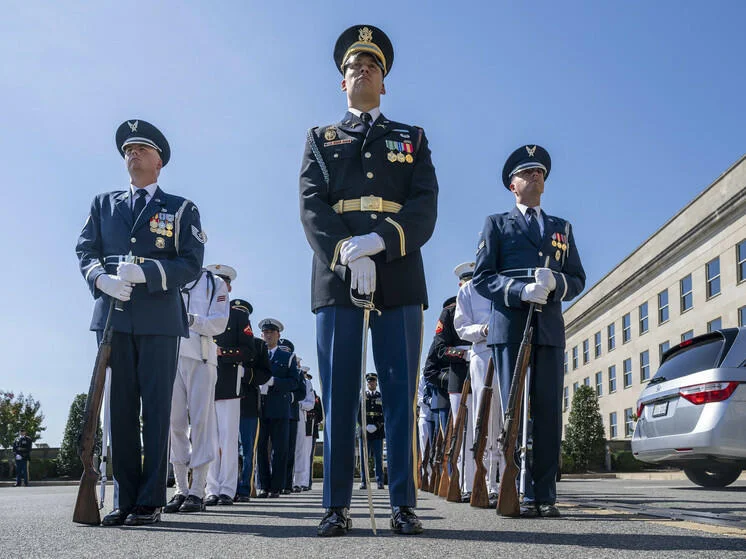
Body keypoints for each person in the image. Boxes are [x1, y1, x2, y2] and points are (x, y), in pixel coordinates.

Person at [299, 24, 438, 536]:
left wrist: (379, 243)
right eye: (353, 66)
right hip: (336, 278)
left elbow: (425, 206)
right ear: (342, 82)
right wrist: (344, 252)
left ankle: (403, 501)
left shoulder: (412, 138)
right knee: (338, 393)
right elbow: (312, 206)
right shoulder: (320, 137)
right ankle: (335, 504)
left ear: (385, 81)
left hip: (398, 270)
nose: (362, 70)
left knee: (400, 391)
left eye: (372, 66)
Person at [76, 119, 204, 526]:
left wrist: (147, 273)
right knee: (121, 411)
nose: (133, 154)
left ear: (159, 161)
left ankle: (151, 500)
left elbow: (190, 263)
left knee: (157, 409)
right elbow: (85, 250)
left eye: (142, 149)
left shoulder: (180, 208)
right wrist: (101, 279)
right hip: (114, 319)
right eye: (128, 149)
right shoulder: (102, 203)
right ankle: (125, 498)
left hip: (160, 322)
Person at [473, 144, 586, 517]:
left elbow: (578, 278)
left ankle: (545, 493)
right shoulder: (497, 224)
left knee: (549, 410)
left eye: (539, 172)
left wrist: (556, 282)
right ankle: (517, 487)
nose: (535, 176)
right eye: (526, 173)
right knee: (514, 411)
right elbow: (483, 278)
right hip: (512, 325)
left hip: (549, 327)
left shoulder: (561, 228)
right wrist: (520, 290)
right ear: (512, 185)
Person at [164, 265, 230, 514]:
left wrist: (190, 320)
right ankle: (180, 488)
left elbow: (219, 323)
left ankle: (198, 489)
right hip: (170, 356)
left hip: (201, 357)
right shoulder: (170, 276)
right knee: (175, 423)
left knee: (202, 423)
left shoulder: (214, 283)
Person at [454, 261, 504, 505]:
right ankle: (488, 483)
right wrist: (483, 330)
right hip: (483, 351)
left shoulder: (506, 280)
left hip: (507, 350)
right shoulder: (469, 290)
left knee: (508, 418)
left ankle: (509, 481)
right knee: (484, 418)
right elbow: (462, 327)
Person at [206, 292, 257, 506]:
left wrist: (223, 352)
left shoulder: (238, 317)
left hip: (229, 381)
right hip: (205, 379)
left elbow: (248, 350)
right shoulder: (202, 312)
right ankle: (210, 488)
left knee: (228, 440)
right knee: (209, 438)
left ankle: (227, 488)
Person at [423, 286, 474, 502]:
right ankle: (458, 481)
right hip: (449, 391)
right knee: (455, 439)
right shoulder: (448, 319)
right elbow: (430, 370)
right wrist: (449, 379)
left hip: (477, 379)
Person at [255, 320, 302, 498]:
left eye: (271, 332)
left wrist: (275, 382)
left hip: (279, 407)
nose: (268, 335)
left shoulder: (287, 357)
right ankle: (263, 485)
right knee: (260, 448)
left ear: (278, 335)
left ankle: (276, 486)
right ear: (261, 335)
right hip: (259, 406)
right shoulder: (257, 354)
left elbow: (294, 382)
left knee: (279, 449)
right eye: (265, 332)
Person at [235, 309, 273, 502]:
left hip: (248, 403)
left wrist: (246, 374)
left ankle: (244, 488)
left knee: (248, 449)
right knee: (226, 448)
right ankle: (226, 486)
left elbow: (265, 373)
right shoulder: (222, 339)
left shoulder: (258, 345)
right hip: (224, 400)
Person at [283, 345, 309, 494]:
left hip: (296, 413)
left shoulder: (302, 378)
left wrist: (291, 399)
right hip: (280, 411)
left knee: (297, 450)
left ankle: (298, 481)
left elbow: (308, 400)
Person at [358, 372, 385, 490]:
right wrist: (364, 425)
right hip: (364, 431)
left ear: (376, 382)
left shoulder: (381, 396)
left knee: (378, 458)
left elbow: (384, 413)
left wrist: (377, 426)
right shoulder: (362, 396)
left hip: (377, 431)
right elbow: (357, 413)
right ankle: (364, 481)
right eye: (369, 381)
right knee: (364, 458)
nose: (371, 383)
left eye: (373, 381)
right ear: (367, 383)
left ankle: (380, 481)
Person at [292, 366, 316, 491]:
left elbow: (310, 403)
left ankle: (298, 481)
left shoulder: (306, 383)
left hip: (300, 415)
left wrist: (299, 404)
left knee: (300, 450)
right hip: (285, 414)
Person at [307, 388, 324, 490]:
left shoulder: (316, 397)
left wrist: (312, 420)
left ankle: (308, 482)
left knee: (309, 458)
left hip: (311, 430)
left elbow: (320, 416)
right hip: (299, 429)